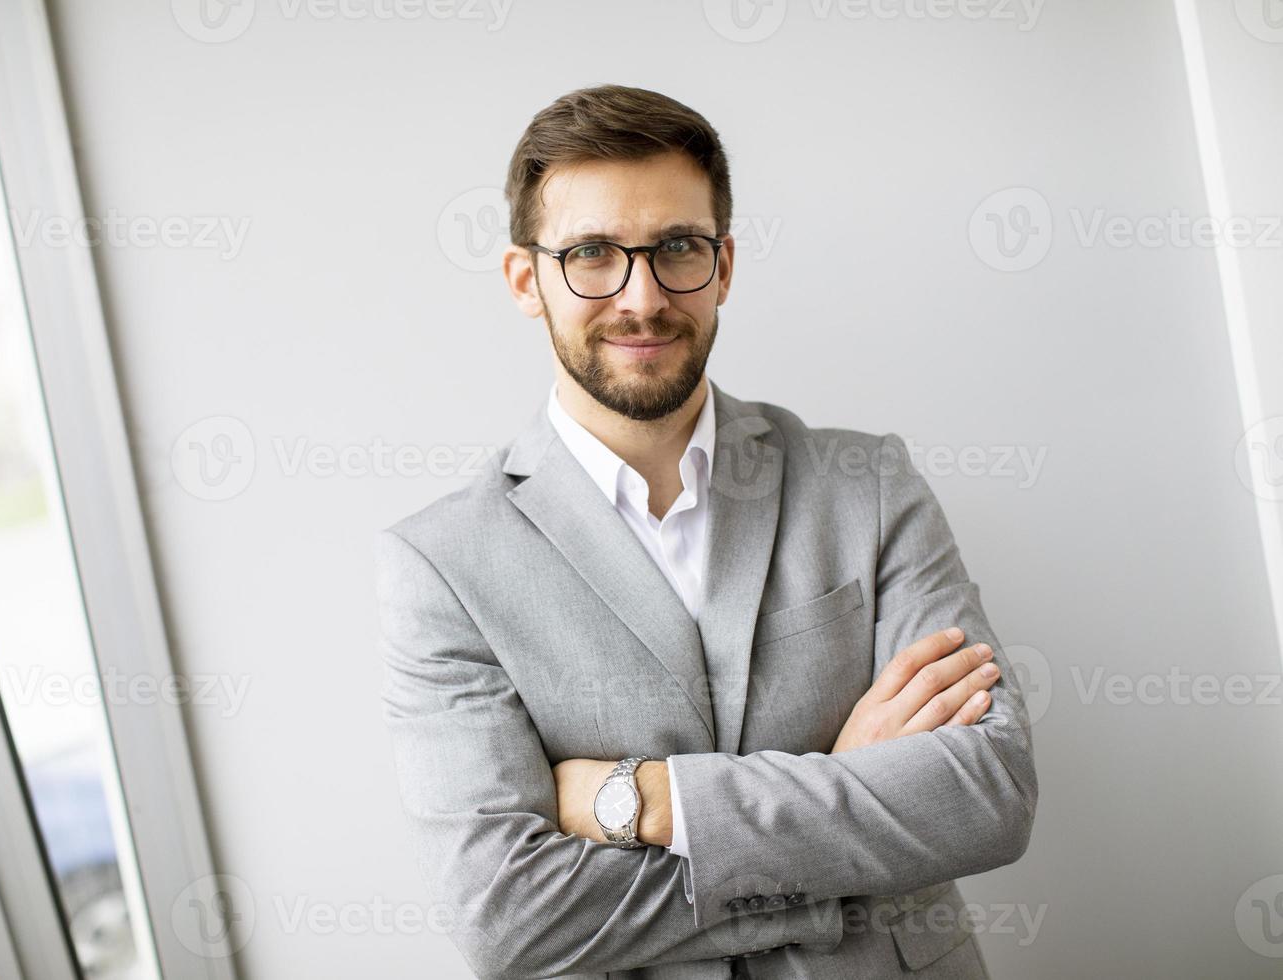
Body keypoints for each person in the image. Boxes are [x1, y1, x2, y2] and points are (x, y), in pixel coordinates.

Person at [376, 83, 1037, 980]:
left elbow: (985, 794)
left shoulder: (867, 484)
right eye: (593, 254)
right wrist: (848, 811)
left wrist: (642, 800)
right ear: (525, 279)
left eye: (677, 248)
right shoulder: (441, 566)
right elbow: (507, 917)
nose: (641, 297)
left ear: (723, 264)